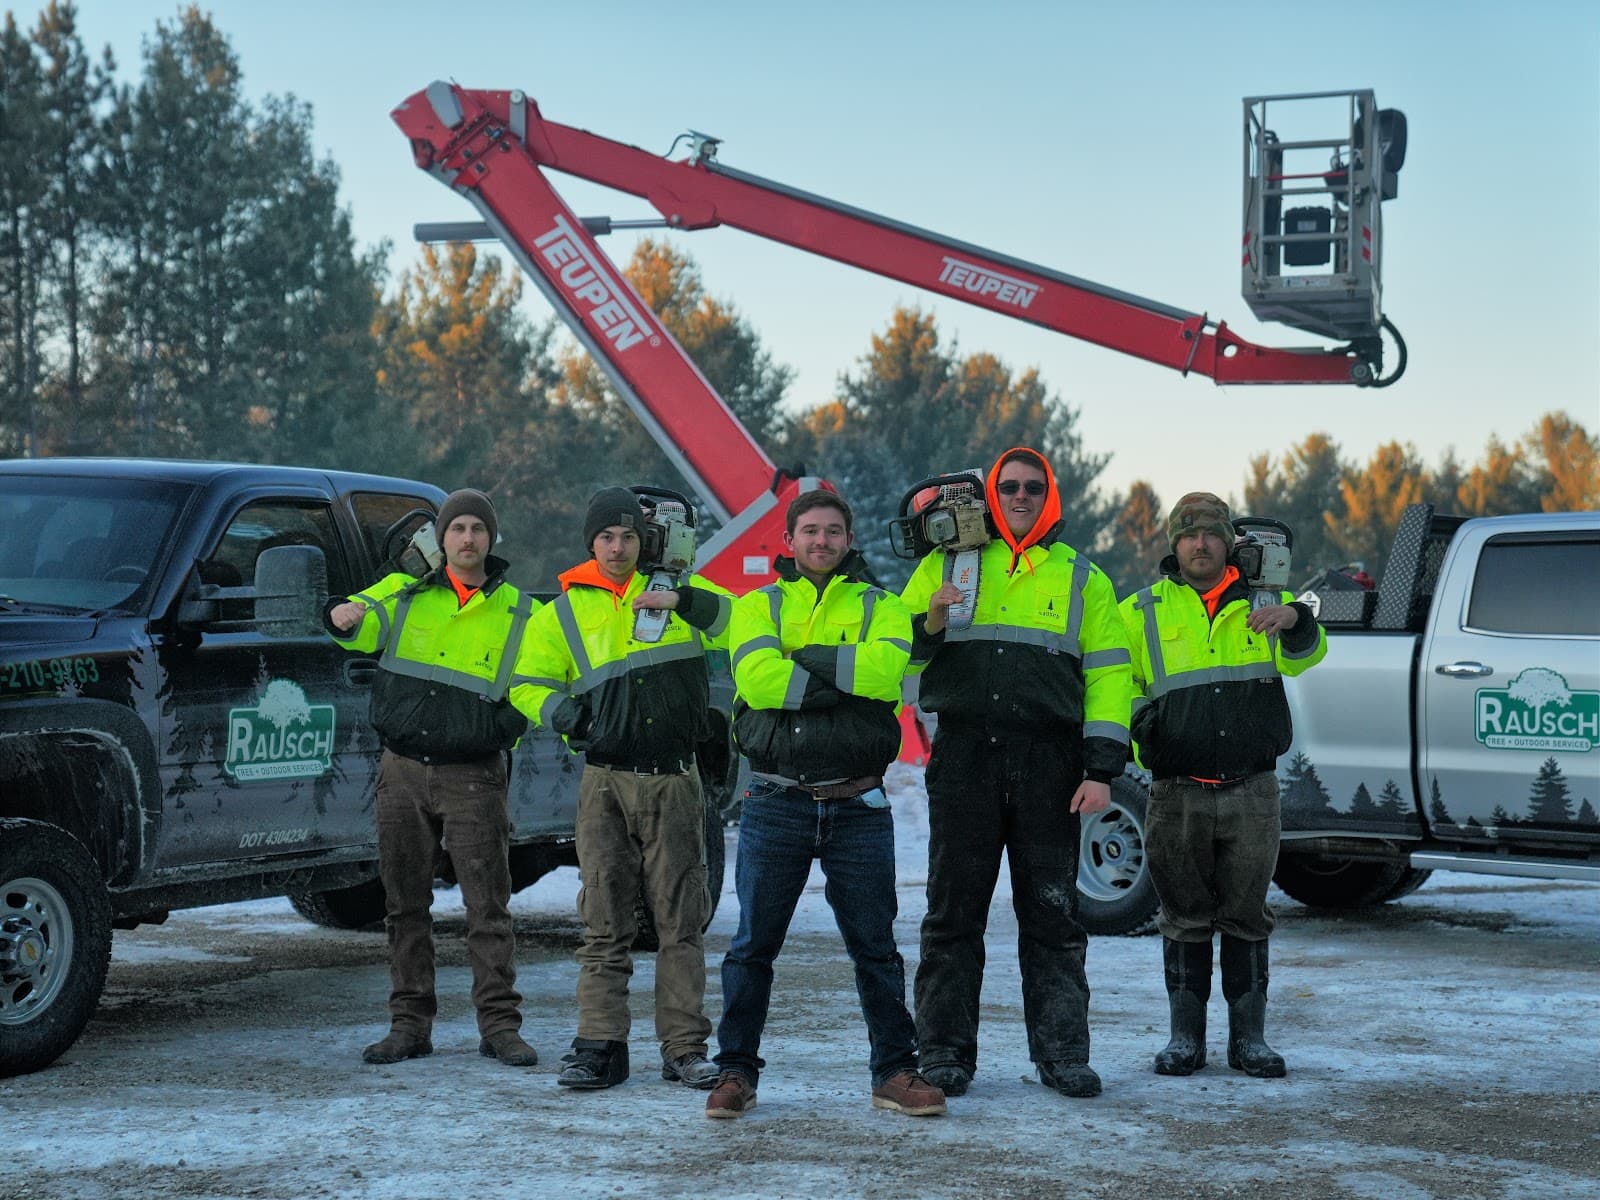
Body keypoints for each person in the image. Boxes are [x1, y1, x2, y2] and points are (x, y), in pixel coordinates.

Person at [704, 490, 945, 1120]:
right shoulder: (757, 606)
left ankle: (895, 1071)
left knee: (876, 946)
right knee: (752, 946)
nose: (821, 541)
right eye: (809, 530)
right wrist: (843, 677)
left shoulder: (881, 606)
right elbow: (755, 680)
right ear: (788, 540)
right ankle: (734, 1073)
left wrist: (800, 662)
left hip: (858, 803)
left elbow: (887, 674)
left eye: (833, 531)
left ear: (848, 539)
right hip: (776, 802)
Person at [901, 447, 1133, 1100]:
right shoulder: (943, 566)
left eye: (1034, 486)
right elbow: (897, 659)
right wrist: (932, 622)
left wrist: (1103, 768)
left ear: (1050, 495)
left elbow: (1111, 676)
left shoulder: (1083, 578)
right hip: (966, 758)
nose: (1022, 495)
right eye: (1009, 486)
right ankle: (943, 1054)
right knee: (951, 917)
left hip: (1050, 766)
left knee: (1054, 918)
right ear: (990, 495)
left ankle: (1063, 1057)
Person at [509, 487, 729, 1091]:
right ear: (591, 543)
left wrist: (685, 599)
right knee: (603, 920)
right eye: (607, 537)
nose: (617, 547)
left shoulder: (679, 594)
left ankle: (684, 1048)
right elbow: (525, 683)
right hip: (604, 782)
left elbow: (740, 627)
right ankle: (600, 1046)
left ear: (645, 542)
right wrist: (569, 718)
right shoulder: (561, 613)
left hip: (673, 780)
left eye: (629, 537)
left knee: (680, 922)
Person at [326, 488, 539, 1068]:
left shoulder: (523, 612)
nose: (467, 539)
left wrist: (496, 730)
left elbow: (539, 682)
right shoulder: (403, 593)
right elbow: (352, 622)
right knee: (403, 906)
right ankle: (409, 1025)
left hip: (474, 777)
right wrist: (342, 614)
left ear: (491, 539)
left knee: (487, 909)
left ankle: (500, 1028)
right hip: (401, 774)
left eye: (477, 529)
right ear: (439, 540)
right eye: (457, 529)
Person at [1119, 492, 1327, 1079]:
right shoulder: (1142, 611)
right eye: (1188, 535)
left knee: (1246, 915)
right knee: (1182, 915)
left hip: (1251, 791)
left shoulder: (1269, 601)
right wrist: (1146, 733)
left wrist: (1297, 618)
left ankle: (1249, 1041)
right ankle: (1185, 1039)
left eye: (1211, 533)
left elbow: (1307, 657)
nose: (1200, 544)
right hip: (1175, 790)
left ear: (1230, 541)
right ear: (1173, 544)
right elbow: (1119, 683)